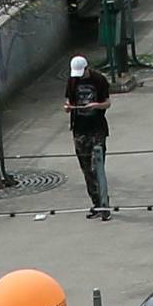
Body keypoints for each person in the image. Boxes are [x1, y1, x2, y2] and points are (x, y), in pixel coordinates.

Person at [65, 54, 112, 215]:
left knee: (96, 167)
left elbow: (108, 103)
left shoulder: (99, 80)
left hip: (96, 128)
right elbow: (68, 101)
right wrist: (68, 107)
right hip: (79, 128)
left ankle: (104, 204)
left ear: (87, 68)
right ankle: (96, 203)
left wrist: (96, 105)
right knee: (86, 169)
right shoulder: (72, 81)